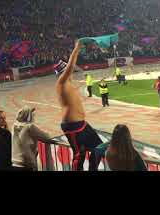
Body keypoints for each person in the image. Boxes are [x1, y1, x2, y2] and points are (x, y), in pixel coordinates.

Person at [56, 41, 103, 171]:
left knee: (99, 146)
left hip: (81, 123)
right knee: (79, 154)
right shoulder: (61, 82)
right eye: (66, 70)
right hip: (72, 125)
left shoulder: (68, 83)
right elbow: (70, 67)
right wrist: (76, 49)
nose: (69, 71)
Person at [11, 106, 51, 171]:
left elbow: (20, 116)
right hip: (26, 163)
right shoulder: (30, 127)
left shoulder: (14, 125)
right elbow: (46, 137)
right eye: (32, 115)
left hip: (15, 163)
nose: (34, 116)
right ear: (29, 116)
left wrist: (28, 110)